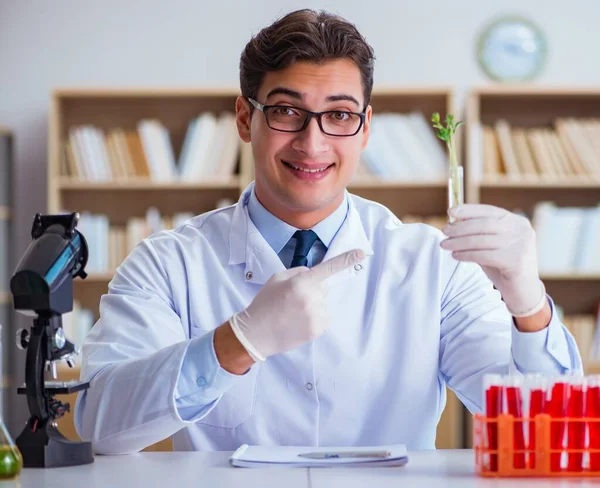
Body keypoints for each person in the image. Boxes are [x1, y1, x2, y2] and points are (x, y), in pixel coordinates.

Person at [75, 8, 582, 454]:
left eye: (338, 114)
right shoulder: (168, 264)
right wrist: (236, 344)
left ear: (364, 128)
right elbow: (100, 425)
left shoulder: (434, 265)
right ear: (245, 119)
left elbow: (544, 429)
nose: (312, 142)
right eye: (287, 111)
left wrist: (529, 305)